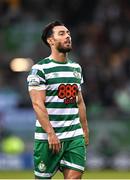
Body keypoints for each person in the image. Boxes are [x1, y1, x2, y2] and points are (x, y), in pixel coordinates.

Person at [27, 21, 89, 179]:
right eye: (61, 33)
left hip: (74, 136)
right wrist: (51, 133)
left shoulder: (76, 68)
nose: (68, 36)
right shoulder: (40, 70)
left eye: (68, 33)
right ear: (50, 41)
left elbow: (79, 102)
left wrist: (85, 130)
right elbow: (37, 103)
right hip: (48, 138)